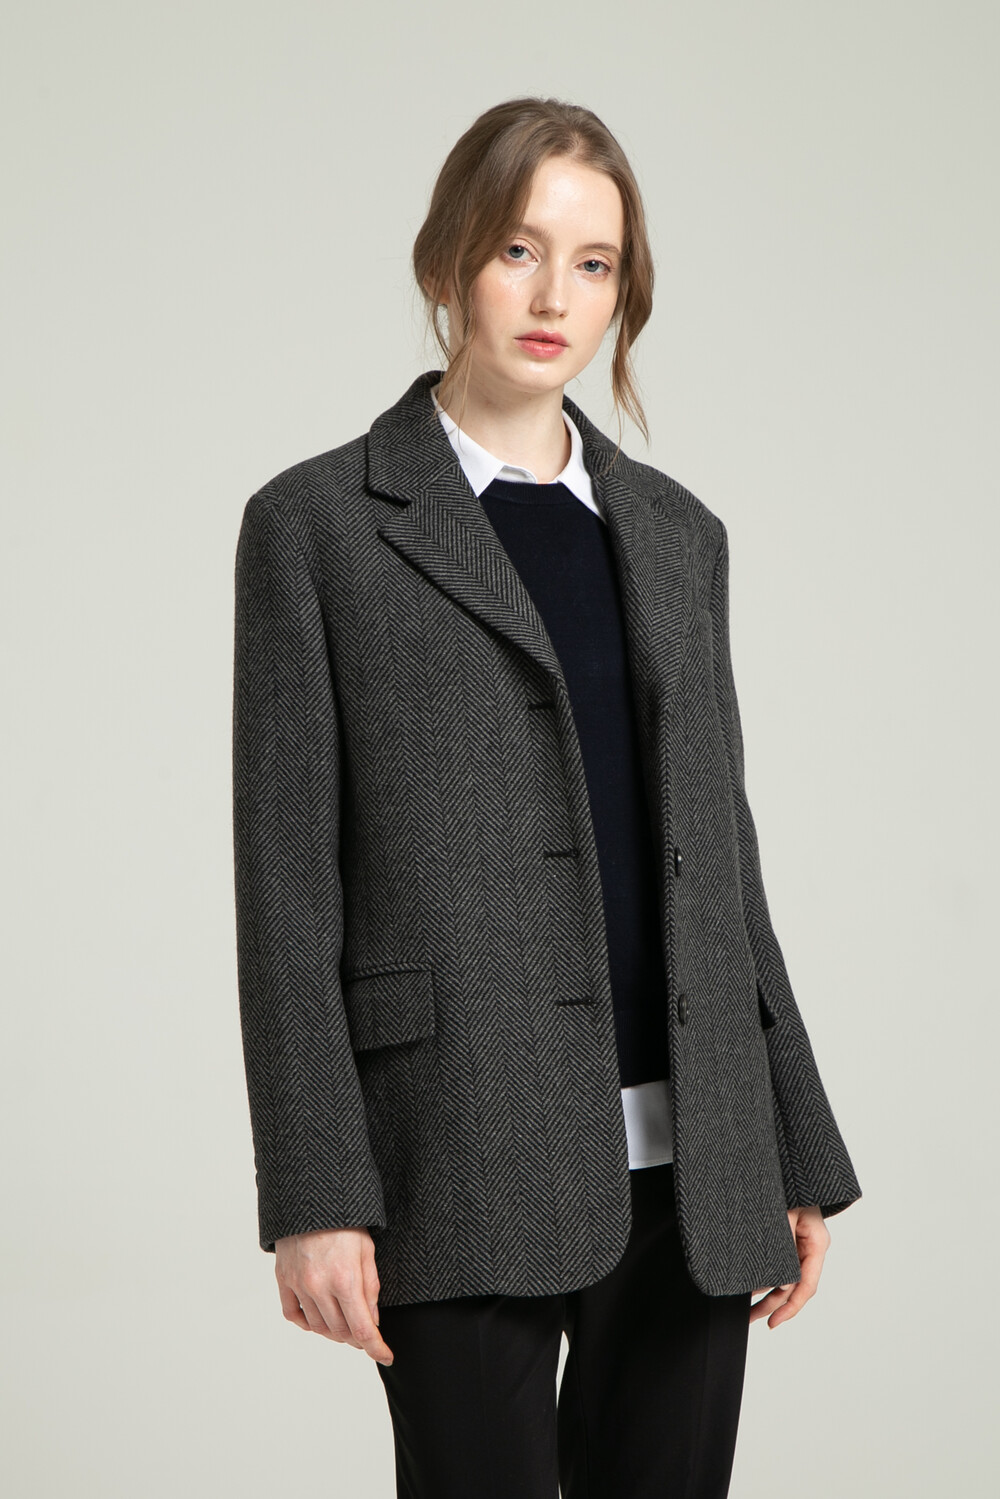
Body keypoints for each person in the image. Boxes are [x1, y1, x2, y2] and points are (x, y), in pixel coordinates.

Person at [231, 96, 863, 1498]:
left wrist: (793, 1139)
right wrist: (315, 1193)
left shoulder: (680, 534)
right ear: (448, 259)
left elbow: (721, 857)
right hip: (459, 1141)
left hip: (699, 1159)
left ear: (625, 294)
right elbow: (285, 896)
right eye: (518, 250)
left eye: (593, 264)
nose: (553, 296)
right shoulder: (318, 528)